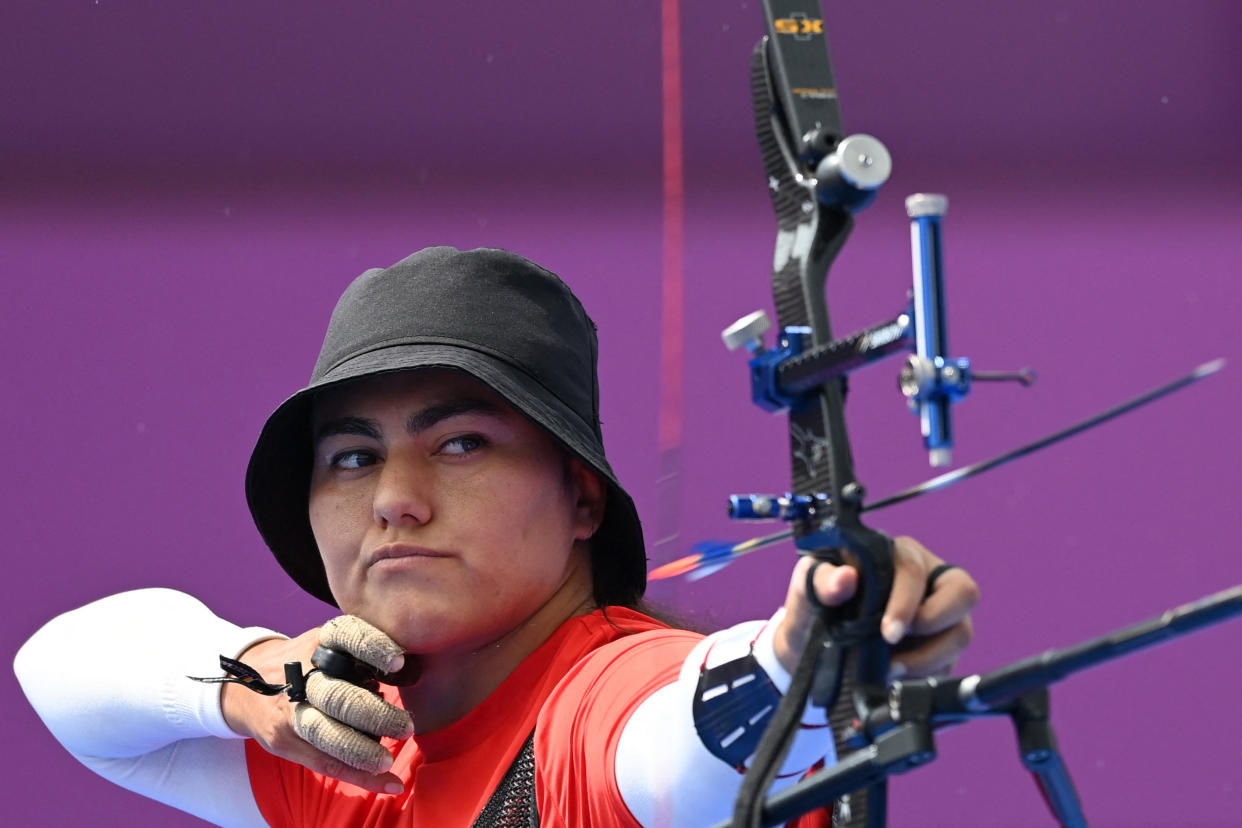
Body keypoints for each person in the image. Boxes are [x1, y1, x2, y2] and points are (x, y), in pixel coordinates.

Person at [14, 246, 978, 827]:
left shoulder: (597, 701)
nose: (396, 499)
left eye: (461, 443)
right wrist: (256, 682)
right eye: (352, 458)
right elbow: (55, 673)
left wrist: (806, 649)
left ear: (582, 501)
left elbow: (675, 740)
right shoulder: (346, 760)